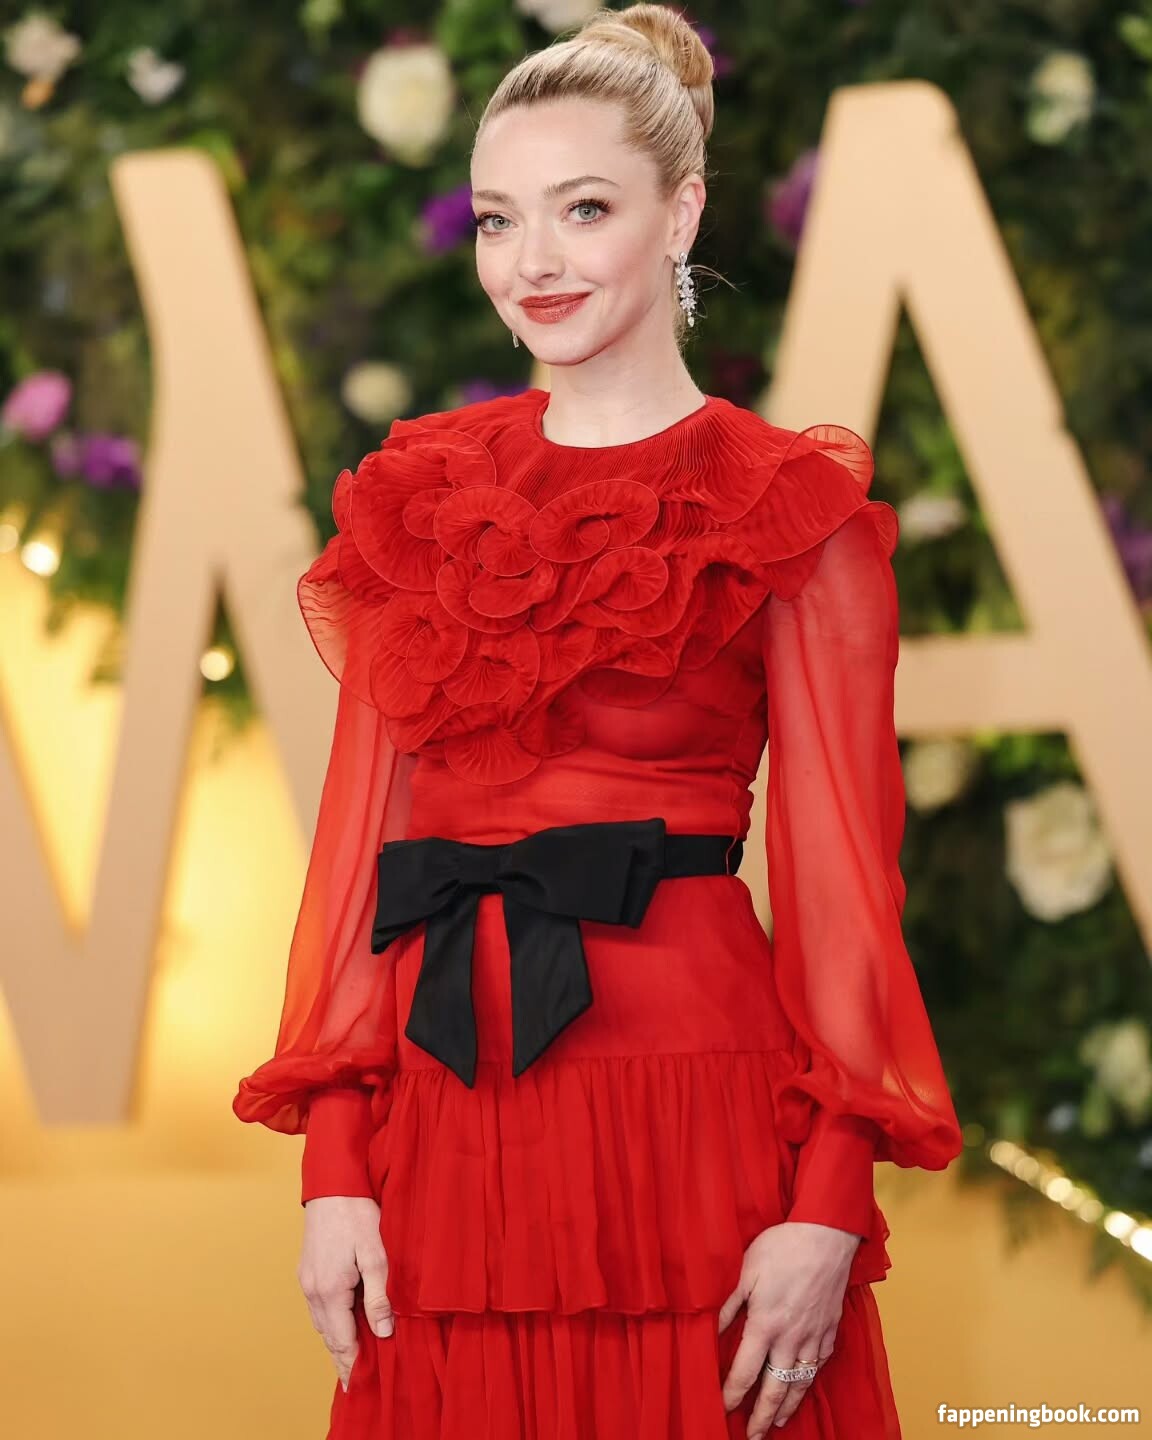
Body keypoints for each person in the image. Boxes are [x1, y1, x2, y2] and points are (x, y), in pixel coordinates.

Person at [232, 6, 963, 1437]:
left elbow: (846, 894)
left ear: (680, 213)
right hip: (447, 1130)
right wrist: (333, 1167)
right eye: (499, 219)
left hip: (695, 1133)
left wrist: (828, 1204)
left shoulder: (786, 510)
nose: (534, 262)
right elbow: (367, 855)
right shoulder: (420, 495)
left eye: (584, 210)